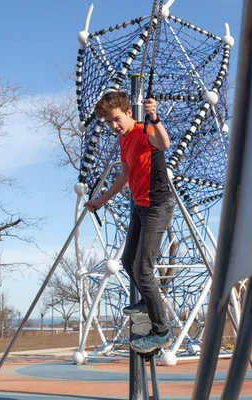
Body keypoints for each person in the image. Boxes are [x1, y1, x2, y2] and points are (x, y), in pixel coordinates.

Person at [84, 90, 173, 353]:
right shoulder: (124, 140)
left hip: (157, 206)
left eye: (116, 119)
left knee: (144, 270)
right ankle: (147, 302)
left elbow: (165, 144)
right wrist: (100, 200)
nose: (113, 126)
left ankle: (161, 331)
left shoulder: (146, 131)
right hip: (140, 206)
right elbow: (123, 176)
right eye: (109, 122)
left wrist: (155, 117)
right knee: (127, 261)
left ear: (128, 113)